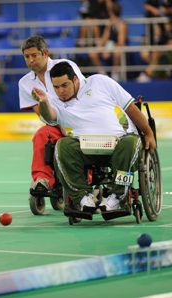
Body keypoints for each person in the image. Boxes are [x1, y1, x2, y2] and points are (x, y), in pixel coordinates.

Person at [31, 61, 156, 214]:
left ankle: (117, 197)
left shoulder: (100, 82)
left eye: (65, 85)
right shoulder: (55, 103)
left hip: (119, 143)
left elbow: (130, 106)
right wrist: (43, 102)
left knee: (131, 143)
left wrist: (148, 132)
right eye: (56, 87)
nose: (60, 91)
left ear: (75, 80)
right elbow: (48, 116)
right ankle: (84, 198)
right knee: (62, 146)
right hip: (85, 149)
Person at [18, 36, 84, 195]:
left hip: (79, 122)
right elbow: (44, 116)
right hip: (55, 124)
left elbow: (82, 95)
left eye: (34, 55)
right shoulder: (25, 83)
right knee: (41, 134)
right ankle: (43, 180)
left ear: (45, 53)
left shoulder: (66, 67)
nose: (31, 60)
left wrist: (70, 125)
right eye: (27, 57)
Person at [137, 1, 172, 82]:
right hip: (169, 47)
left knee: (157, 53)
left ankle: (146, 74)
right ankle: (160, 72)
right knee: (155, 52)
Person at [88, 2, 128, 81]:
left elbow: (121, 41)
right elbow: (104, 38)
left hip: (117, 46)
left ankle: (115, 73)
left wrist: (109, 50)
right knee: (92, 52)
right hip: (109, 46)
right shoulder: (109, 22)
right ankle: (102, 73)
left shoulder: (122, 24)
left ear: (112, 12)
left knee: (117, 52)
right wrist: (100, 45)